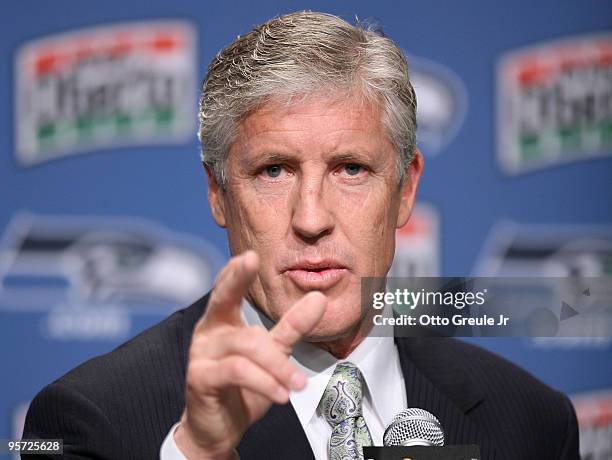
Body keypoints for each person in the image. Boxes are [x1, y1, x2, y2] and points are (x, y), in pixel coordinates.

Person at [23, 11, 579, 460]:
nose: (311, 218)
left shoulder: (531, 422)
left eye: (351, 169)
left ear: (405, 190)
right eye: (273, 171)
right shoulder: (87, 422)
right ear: (218, 193)